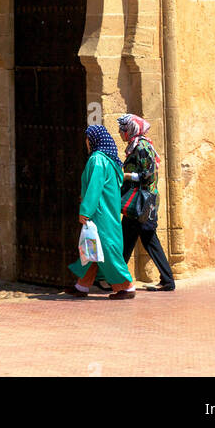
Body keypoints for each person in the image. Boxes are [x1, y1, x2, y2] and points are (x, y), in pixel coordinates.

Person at [68, 124, 135, 299]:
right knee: (92, 249)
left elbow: (94, 188)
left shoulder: (97, 159)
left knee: (106, 249)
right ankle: (81, 286)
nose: (86, 142)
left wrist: (85, 211)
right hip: (107, 212)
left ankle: (126, 287)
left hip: (100, 214)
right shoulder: (111, 160)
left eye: (88, 138)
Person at [117, 113, 176, 292]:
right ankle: (114, 278)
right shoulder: (136, 146)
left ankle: (167, 280)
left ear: (130, 130)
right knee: (127, 239)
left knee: (146, 238)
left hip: (142, 202)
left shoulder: (142, 147)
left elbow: (148, 174)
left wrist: (126, 175)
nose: (120, 133)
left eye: (122, 130)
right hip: (138, 203)